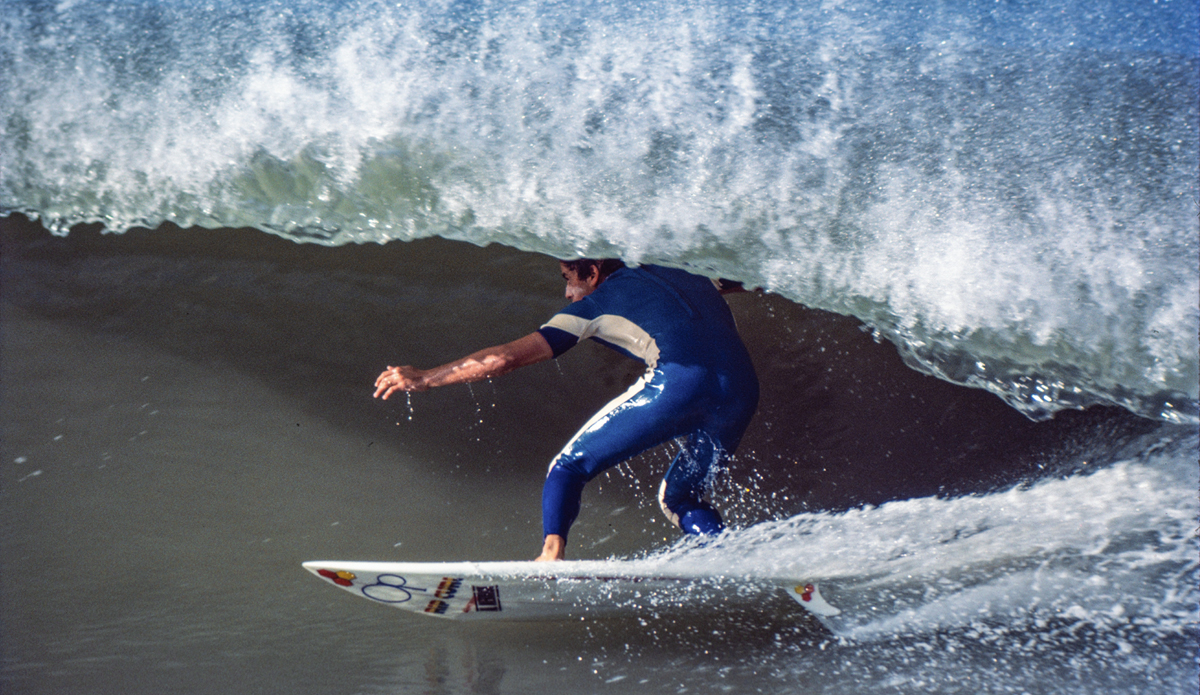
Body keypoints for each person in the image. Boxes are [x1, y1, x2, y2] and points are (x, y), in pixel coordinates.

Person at [373, 259, 759, 561]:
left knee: (567, 468)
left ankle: (550, 557)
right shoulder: (685, 272)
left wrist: (425, 378)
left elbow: (504, 358)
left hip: (679, 383)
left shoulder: (595, 305)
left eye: (568, 278)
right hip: (742, 388)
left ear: (592, 272)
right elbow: (752, 279)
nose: (567, 292)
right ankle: (725, 557)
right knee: (680, 498)